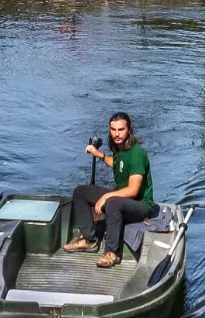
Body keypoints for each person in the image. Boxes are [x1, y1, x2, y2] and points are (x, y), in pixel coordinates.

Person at [65, 112, 156, 269]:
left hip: (141, 205)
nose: (117, 134)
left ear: (129, 130)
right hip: (122, 200)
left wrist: (106, 196)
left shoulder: (137, 153)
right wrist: (99, 155)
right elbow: (118, 164)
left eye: (121, 129)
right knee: (80, 192)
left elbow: (133, 190)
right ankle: (89, 240)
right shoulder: (118, 148)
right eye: (113, 130)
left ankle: (111, 252)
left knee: (113, 202)